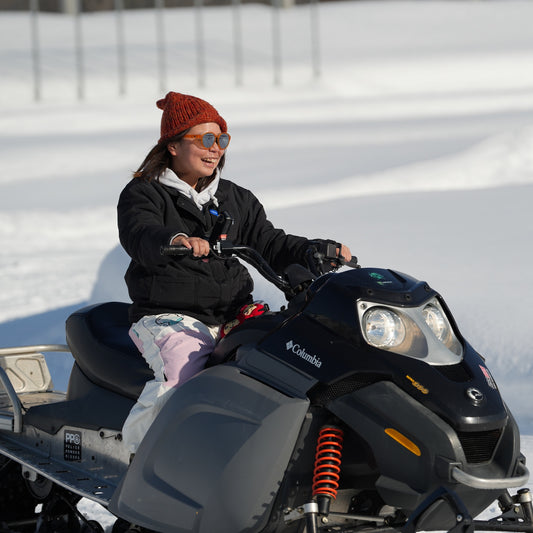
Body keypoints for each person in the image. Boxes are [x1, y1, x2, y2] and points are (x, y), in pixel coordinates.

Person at [117, 91, 352, 452]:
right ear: (174, 145)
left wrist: (312, 250)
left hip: (232, 314)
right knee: (181, 380)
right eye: (206, 139)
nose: (216, 149)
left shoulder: (233, 198)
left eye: (222, 139)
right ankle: (135, 464)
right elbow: (141, 233)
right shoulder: (145, 194)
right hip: (169, 316)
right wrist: (176, 238)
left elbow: (269, 242)